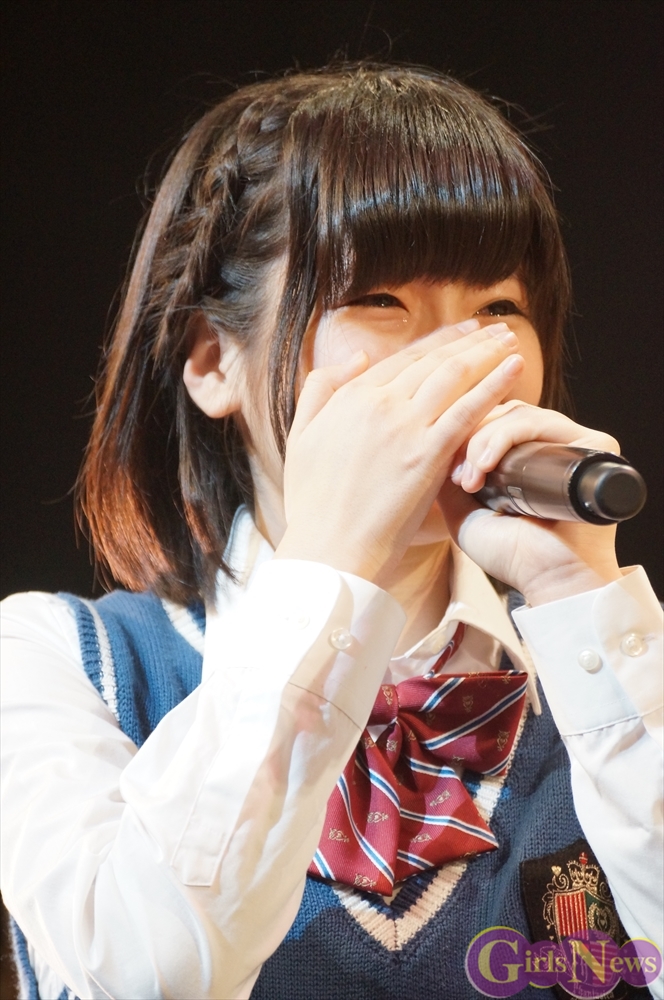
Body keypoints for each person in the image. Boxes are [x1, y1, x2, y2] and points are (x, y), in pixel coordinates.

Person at [1, 64, 661, 1000]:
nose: (461, 364)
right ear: (212, 359)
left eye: (499, 309)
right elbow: (150, 972)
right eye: (380, 301)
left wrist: (581, 603)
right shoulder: (61, 663)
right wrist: (334, 561)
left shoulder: (614, 667)